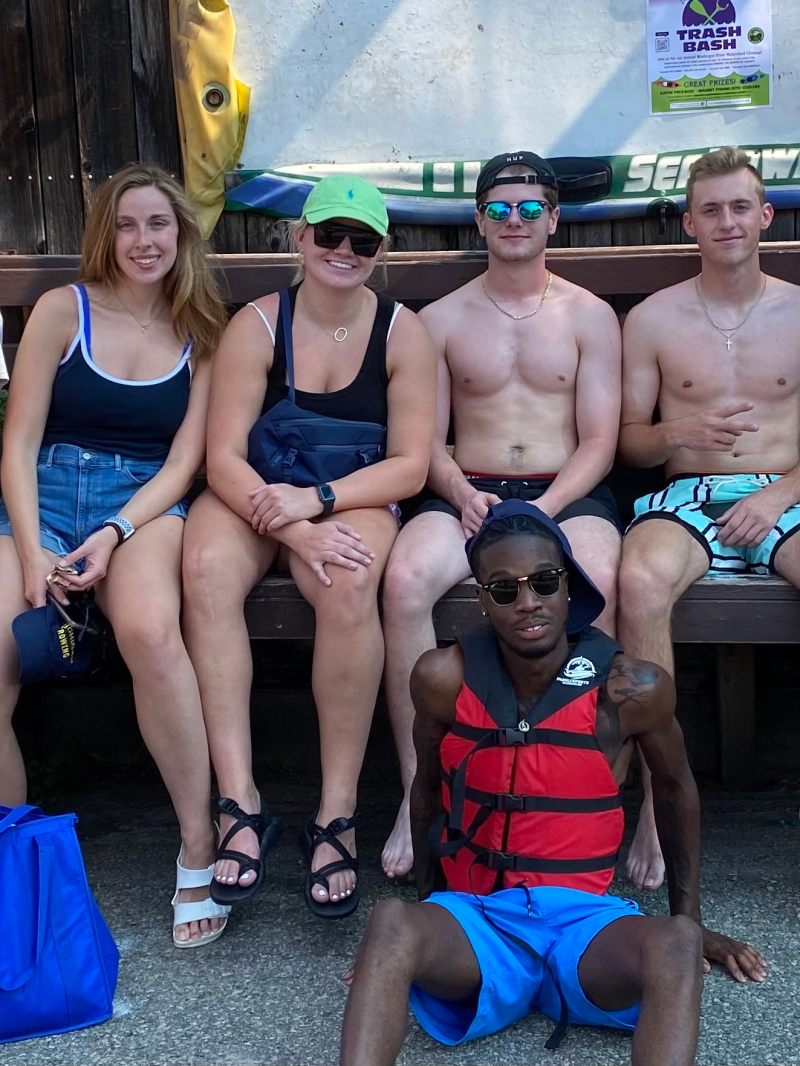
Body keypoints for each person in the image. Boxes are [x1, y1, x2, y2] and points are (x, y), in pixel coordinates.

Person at [340, 501, 766, 1066]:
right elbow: (426, 792)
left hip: (586, 926)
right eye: (504, 590)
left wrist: (691, 918)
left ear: (569, 584)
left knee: (677, 943)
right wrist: (411, 942)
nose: (529, 602)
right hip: (480, 919)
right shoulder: (441, 678)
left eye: (544, 582)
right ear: (482, 601)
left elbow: (674, 790)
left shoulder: (630, 688)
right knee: (390, 921)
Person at [181, 174, 436, 918]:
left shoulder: (401, 330)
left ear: (380, 253)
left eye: (362, 241)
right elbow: (222, 456)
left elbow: (411, 464)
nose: (343, 251)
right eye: (329, 234)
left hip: (348, 491)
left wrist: (320, 505)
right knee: (204, 568)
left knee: (350, 580)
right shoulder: (258, 323)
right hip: (259, 491)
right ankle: (240, 801)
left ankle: (336, 811)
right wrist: (291, 525)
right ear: (299, 238)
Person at [0, 163, 229, 947]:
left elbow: (183, 464)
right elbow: (20, 438)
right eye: (127, 225)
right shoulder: (64, 311)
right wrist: (32, 551)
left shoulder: (202, 331)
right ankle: (16, 861)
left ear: (180, 235)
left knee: (149, 632)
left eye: (158, 225)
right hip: (43, 495)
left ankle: (198, 845)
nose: (143, 240)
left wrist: (114, 532)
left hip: (144, 506)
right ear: (106, 233)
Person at [379, 150, 622, 880]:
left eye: (528, 209)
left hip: (565, 487)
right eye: (499, 209)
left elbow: (601, 440)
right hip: (471, 488)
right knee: (405, 579)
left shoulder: (590, 315)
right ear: (478, 219)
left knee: (601, 574)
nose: (513, 221)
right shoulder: (443, 318)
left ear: (553, 218)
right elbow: (424, 437)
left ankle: (582, 783)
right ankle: (416, 786)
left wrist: (542, 512)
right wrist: (460, 494)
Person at [616, 146, 800, 891]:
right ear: (689, 222)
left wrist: (777, 495)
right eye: (711, 209)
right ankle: (657, 804)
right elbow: (629, 439)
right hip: (688, 496)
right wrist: (676, 435)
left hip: (788, 493)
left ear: (766, 216)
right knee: (638, 578)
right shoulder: (655, 318)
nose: (727, 221)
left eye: (739, 207)